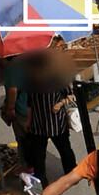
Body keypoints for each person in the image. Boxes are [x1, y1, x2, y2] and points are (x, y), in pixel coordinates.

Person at [21, 52, 77, 186]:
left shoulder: (56, 79)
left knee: (65, 150)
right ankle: (41, 181)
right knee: (38, 156)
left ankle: (72, 174)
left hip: (56, 123)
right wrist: (28, 122)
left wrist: (60, 104)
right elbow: (29, 104)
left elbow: (70, 96)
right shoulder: (30, 82)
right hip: (38, 124)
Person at [1, 56, 31, 171]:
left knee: (23, 140)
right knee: (31, 138)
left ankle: (27, 166)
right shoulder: (26, 62)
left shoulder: (12, 69)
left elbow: (12, 90)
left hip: (21, 110)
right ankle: (34, 163)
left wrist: (10, 108)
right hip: (31, 107)